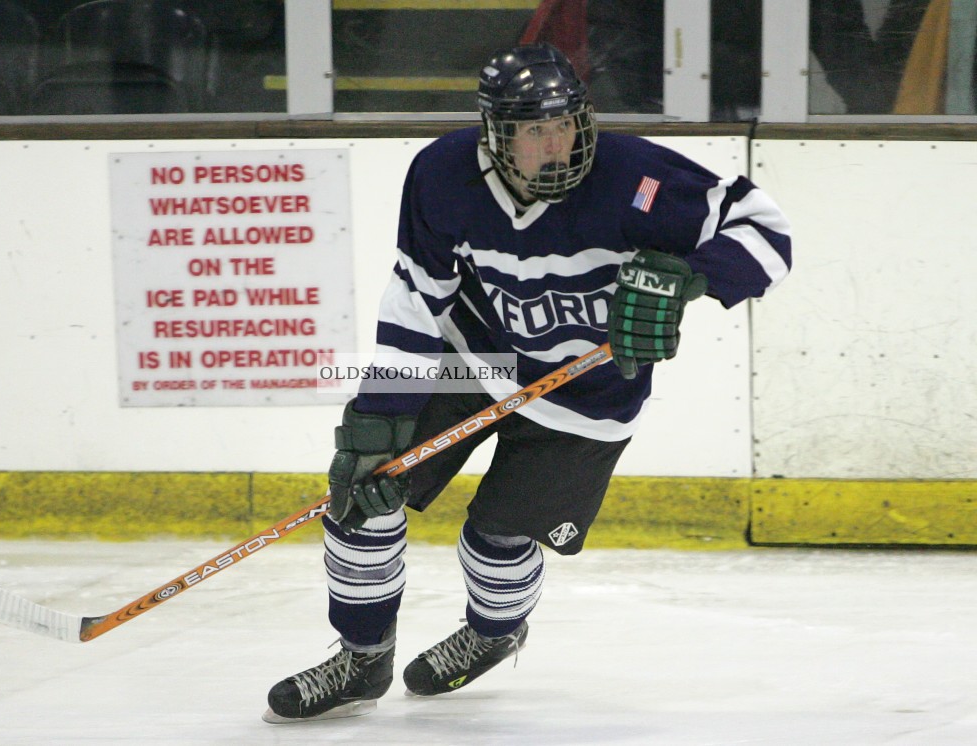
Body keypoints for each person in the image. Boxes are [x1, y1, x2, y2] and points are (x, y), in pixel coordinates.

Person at [263, 42, 792, 724]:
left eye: (566, 124)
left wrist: (694, 276)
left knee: (496, 539)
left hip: (588, 397)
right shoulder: (443, 175)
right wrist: (379, 414)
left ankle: (492, 632)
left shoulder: (635, 177)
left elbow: (766, 231)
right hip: (474, 357)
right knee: (360, 497)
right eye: (534, 131)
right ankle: (362, 658)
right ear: (494, 135)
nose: (558, 144)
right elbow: (416, 300)